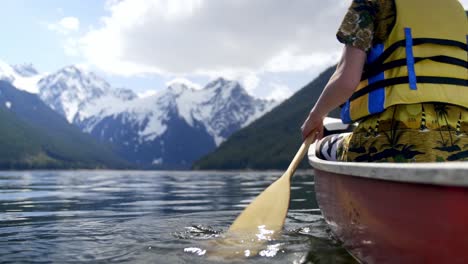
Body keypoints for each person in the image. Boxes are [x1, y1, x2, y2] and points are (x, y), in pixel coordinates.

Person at [301, 0, 468, 162]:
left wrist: (315, 117)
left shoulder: (372, 3)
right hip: (463, 145)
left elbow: (345, 81)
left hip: (390, 142)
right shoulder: (459, 11)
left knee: (320, 148)